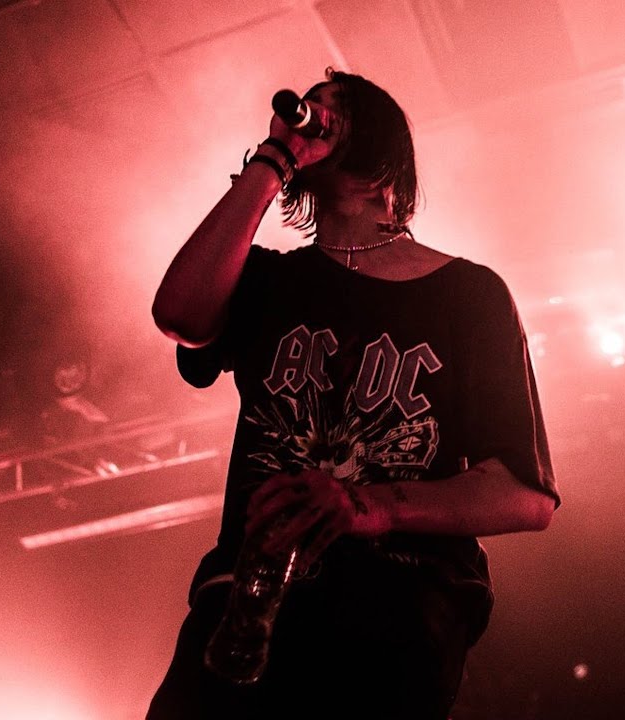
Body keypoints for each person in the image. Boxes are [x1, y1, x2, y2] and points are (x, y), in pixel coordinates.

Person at [147, 68, 560, 720]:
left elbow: (524, 495)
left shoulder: (470, 295)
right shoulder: (268, 280)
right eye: (308, 107)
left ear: (384, 147)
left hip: (393, 613)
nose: (313, 114)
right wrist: (273, 160)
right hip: (244, 605)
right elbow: (178, 313)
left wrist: (370, 507)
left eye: (333, 109)